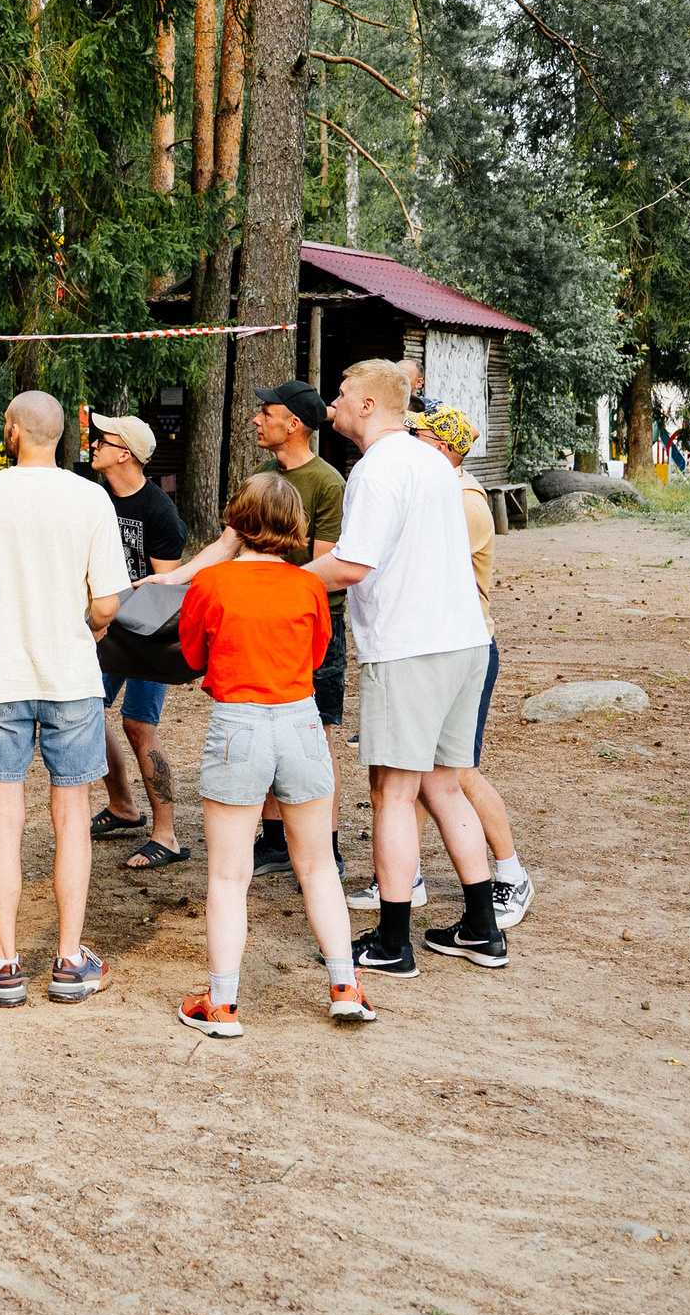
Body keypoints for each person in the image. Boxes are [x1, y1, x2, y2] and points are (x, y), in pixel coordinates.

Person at [305, 361, 506, 976]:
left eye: (340, 394)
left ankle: (393, 941)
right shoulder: (432, 462)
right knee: (443, 784)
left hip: (410, 647)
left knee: (394, 791)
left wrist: (276, 579)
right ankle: (481, 927)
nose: (332, 403)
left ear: (368, 405)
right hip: (465, 641)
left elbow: (352, 565)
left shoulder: (378, 467)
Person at [171, 472, 376, 1036]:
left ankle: (223, 1003)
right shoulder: (309, 586)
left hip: (239, 724)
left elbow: (192, 656)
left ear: (237, 519)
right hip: (302, 723)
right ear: (294, 527)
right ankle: (345, 985)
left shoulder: (210, 583)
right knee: (317, 867)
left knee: (229, 875)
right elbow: (314, 656)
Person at [0, 391, 129, 1008]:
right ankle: (71, 959)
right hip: (72, 677)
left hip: (1, 675)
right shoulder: (91, 497)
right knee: (72, 814)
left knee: (4, 815)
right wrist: (86, 623)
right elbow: (108, 602)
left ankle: (3, 961)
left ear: (15, 431)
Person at [157, 381, 347, 882]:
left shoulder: (327, 483)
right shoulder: (263, 475)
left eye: (268, 412)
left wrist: (266, 590)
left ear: (295, 424)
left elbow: (324, 562)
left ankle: (324, 843)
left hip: (306, 619)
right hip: (265, 609)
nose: (257, 420)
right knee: (259, 731)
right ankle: (275, 841)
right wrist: (174, 577)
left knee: (315, 729)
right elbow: (226, 543)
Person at [366, 407, 534, 927]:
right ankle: (406, 877)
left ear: (442, 447)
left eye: (416, 434)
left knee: (455, 773)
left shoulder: (460, 501)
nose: (408, 440)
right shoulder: (438, 487)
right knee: (412, 772)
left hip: (456, 646)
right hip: (433, 645)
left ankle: (511, 875)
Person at [80, 413, 188, 871]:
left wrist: (117, 616)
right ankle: (123, 805)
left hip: (147, 631)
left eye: (100, 440)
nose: (93, 446)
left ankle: (167, 834)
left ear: (124, 452)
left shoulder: (160, 512)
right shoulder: (93, 499)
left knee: (138, 725)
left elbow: (165, 591)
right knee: (84, 708)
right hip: (103, 624)